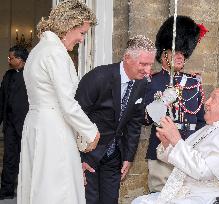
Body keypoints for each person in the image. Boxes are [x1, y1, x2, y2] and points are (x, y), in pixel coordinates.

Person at [17, 1, 100, 204]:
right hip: (53, 130)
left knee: (40, 184)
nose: (81, 39)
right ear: (68, 25)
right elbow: (68, 103)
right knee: (57, 188)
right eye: (81, 32)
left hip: (37, 125)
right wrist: (91, 132)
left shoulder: (39, 50)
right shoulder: (55, 53)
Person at [132, 87, 219, 204]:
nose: (207, 102)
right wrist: (168, 144)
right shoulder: (209, 128)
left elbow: (203, 171)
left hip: (213, 196)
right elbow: (186, 160)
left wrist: (176, 140)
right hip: (195, 192)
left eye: (213, 98)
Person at [75, 35, 156, 204]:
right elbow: (75, 118)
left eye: (150, 64)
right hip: (88, 156)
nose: (148, 71)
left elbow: (134, 123)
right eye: (143, 64)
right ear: (127, 58)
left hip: (114, 157)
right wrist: (77, 159)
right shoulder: (97, 77)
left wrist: (128, 157)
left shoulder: (141, 84)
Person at [145, 15, 206, 193]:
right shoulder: (151, 82)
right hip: (161, 149)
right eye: (176, 52)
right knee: (161, 195)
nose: (181, 56)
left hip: (188, 150)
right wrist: (162, 101)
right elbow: (146, 118)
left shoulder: (193, 82)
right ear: (164, 54)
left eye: (183, 53)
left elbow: (201, 120)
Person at [0, 45, 29, 200]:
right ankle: (6, 191)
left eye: (11, 58)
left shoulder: (32, 75)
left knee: (27, 159)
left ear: (20, 59)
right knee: (9, 158)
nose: (9, 60)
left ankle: (28, 191)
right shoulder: (8, 75)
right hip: (10, 125)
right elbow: (2, 99)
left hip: (26, 124)